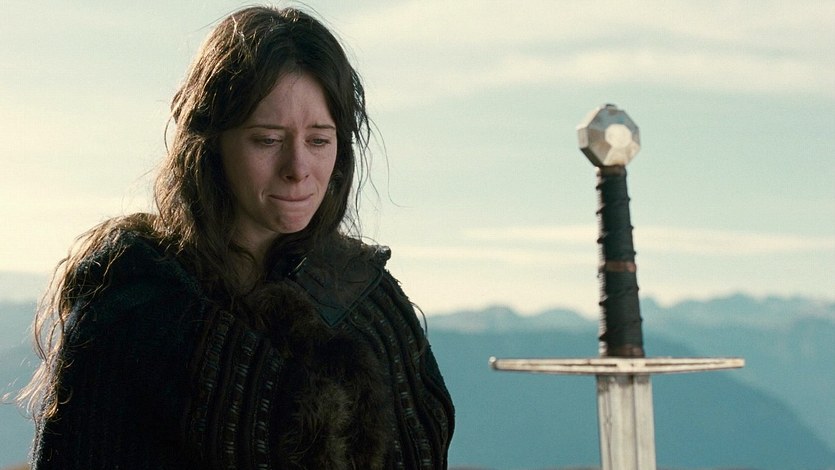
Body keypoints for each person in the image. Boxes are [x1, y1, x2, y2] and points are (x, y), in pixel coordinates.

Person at [23, 6, 454, 469]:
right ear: (211, 144)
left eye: (319, 141)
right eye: (267, 139)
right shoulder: (137, 306)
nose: (297, 169)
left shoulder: (368, 302)